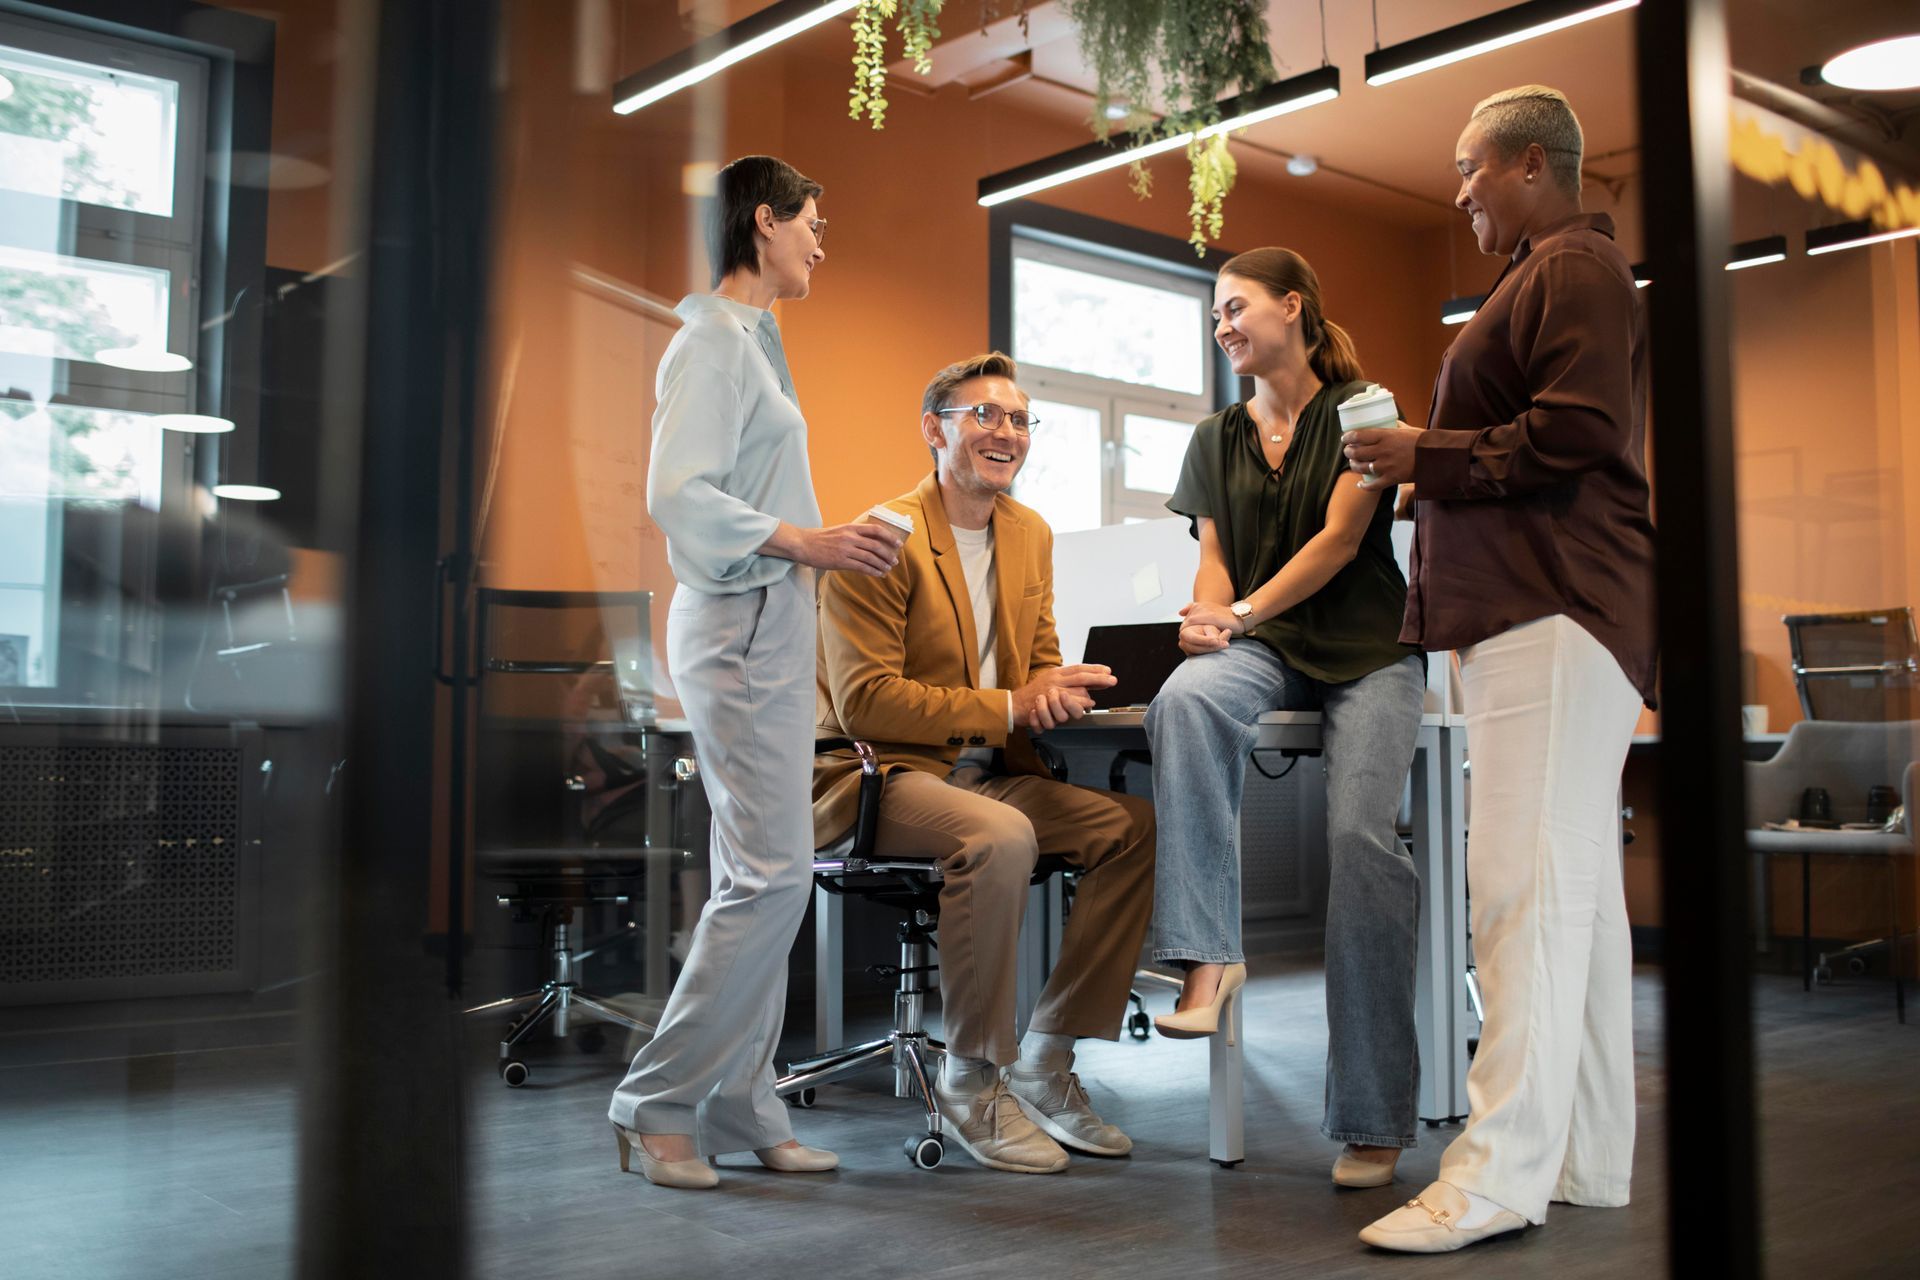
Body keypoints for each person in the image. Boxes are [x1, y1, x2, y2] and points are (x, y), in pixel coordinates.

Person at [1344, 86, 1658, 1253]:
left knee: (1518, 892)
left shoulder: (1570, 268)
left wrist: (1421, 450)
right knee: (1570, 892)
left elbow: (1575, 433)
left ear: (1533, 163)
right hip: (1559, 608)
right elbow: (1545, 441)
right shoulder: (1553, 274)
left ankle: (1492, 1176)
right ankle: (1579, 1156)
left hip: (1553, 604)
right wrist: (1430, 469)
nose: (1461, 190)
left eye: (1472, 168)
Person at [606, 155, 906, 1190]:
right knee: (774, 874)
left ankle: (742, 1098)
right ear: (764, 221)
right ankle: (655, 1101)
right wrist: (807, 541)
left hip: (770, 618)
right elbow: (675, 492)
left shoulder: (756, 342)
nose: (822, 241)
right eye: (813, 222)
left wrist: (822, 544)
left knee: (761, 877)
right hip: (738, 616)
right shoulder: (711, 342)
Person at [813, 352, 1157, 1174]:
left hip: (986, 773)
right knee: (998, 834)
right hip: (876, 776)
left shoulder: (1029, 534)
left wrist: (1063, 693)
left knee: (1131, 827)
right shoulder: (883, 538)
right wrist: (1008, 704)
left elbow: (1034, 661)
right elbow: (866, 701)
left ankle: (1047, 1059)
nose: (1006, 433)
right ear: (936, 430)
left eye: (1019, 419)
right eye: (984, 416)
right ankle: (970, 1078)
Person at [1143, 248, 1428, 1188]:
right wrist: (1207, 617)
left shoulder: (1363, 408)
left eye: (1237, 307)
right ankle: (1207, 961)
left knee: (1360, 840)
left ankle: (1373, 1115)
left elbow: (1343, 542)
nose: (1223, 325)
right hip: (1263, 646)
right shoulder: (1214, 436)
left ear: (1292, 305)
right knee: (1184, 702)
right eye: (1215, 314)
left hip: (1368, 649)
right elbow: (1216, 562)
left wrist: (1242, 614)